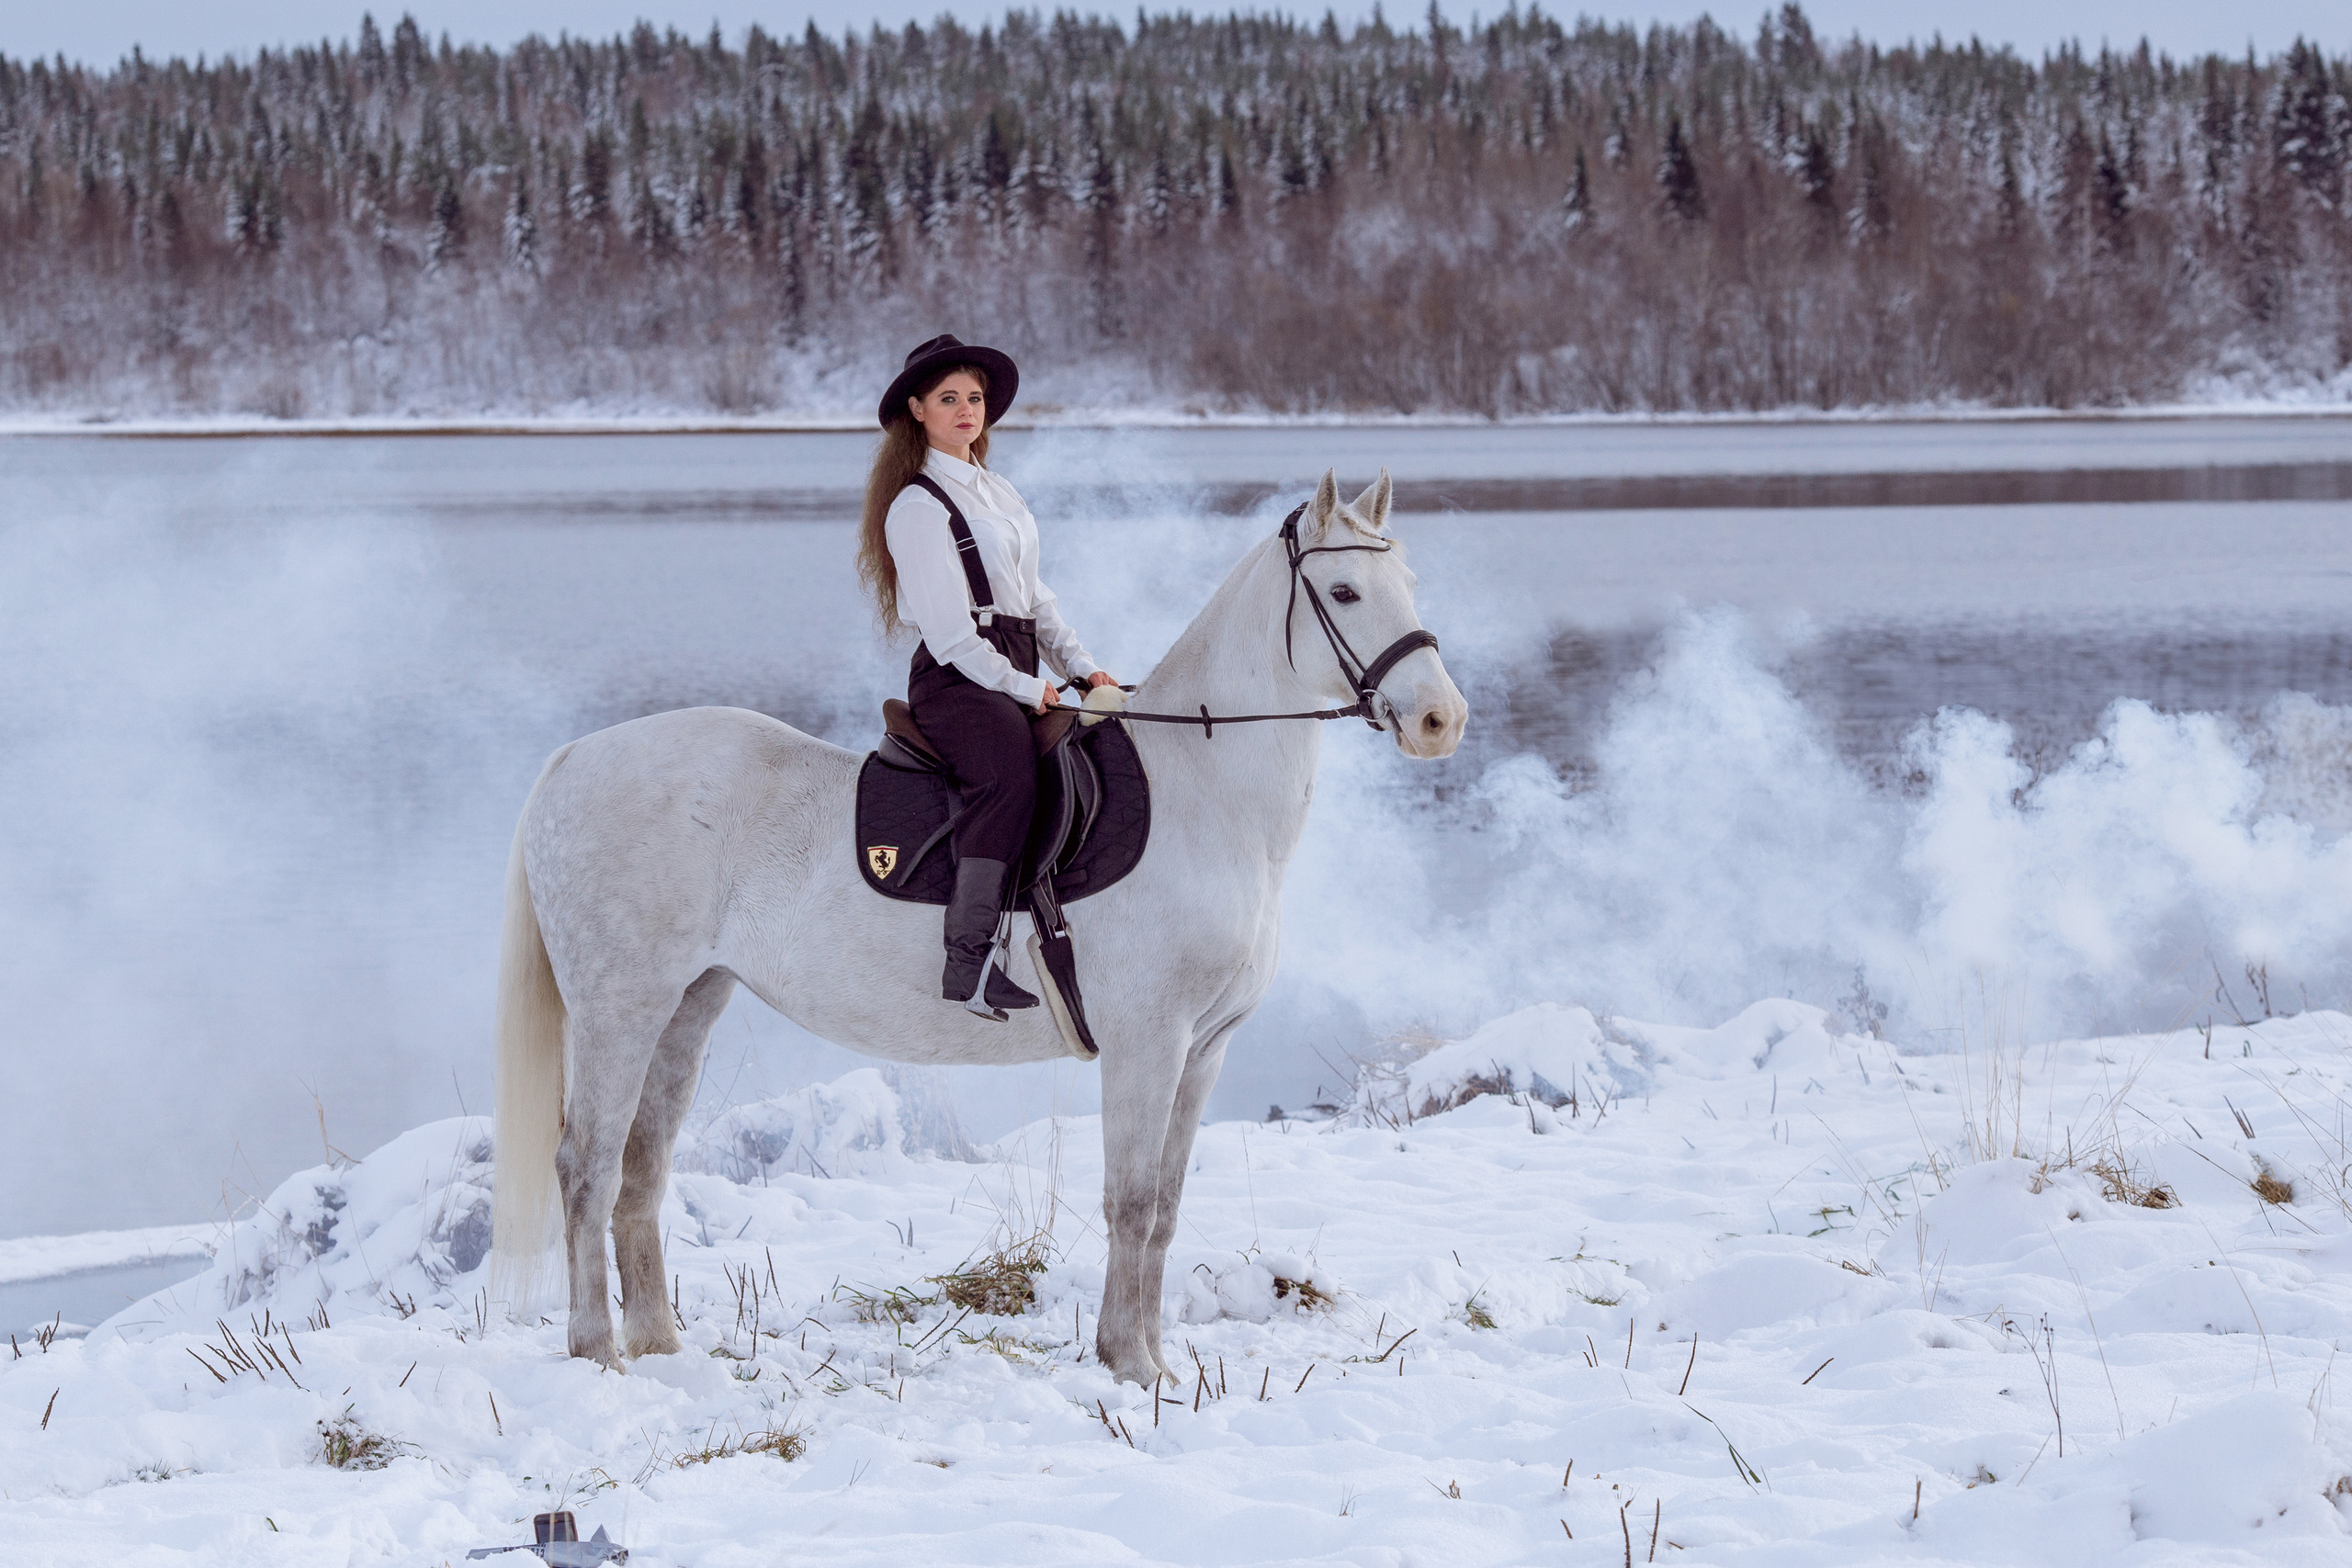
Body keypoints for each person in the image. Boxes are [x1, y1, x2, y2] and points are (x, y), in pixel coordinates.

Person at [857, 334, 1121, 1017]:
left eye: (973, 398)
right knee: (1007, 771)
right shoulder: (916, 507)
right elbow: (949, 636)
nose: (966, 410)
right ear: (917, 410)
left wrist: (1084, 667)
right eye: (948, 399)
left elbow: (1035, 604)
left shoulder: (999, 491)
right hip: (956, 680)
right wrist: (1029, 688)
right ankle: (969, 964)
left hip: (1013, 662)